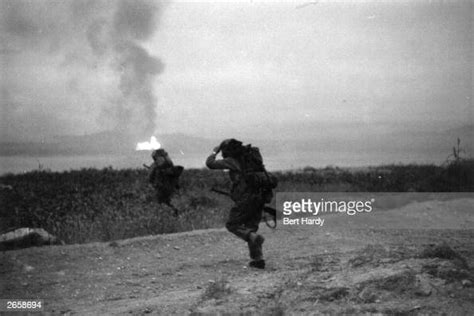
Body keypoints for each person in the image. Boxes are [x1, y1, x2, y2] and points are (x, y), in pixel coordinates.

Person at [206, 139, 268, 269]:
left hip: (246, 199)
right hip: (261, 197)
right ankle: (258, 259)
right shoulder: (253, 159)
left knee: (232, 224)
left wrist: (214, 151)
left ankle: (253, 238)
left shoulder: (233, 160)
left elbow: (210, 163)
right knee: (251, 226)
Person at [148, 149, 183, 216]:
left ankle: (171, 214)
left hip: (163, 188)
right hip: (167, 187)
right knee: (166, 202)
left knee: (162, 202)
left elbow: (151, 178)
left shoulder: (159, 166)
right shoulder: (168, 164)